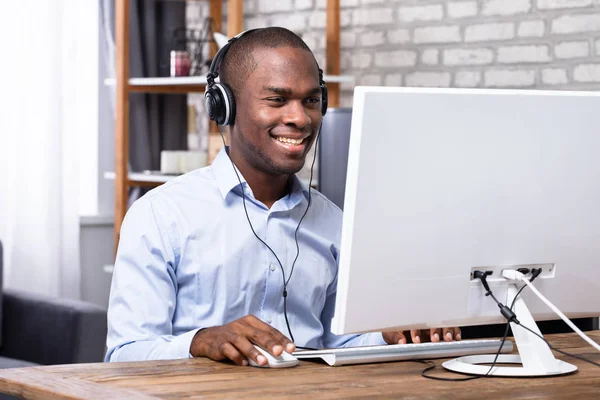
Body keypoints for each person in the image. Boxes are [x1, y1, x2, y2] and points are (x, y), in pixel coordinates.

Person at [105, 27, 461, 367]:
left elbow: (335, 344)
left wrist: (388, 335)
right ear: (224, 107)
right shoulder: (160, 215)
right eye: (277, 99)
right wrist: (200, 341)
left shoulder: (334, 224)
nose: (300, 118)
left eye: (311, 100)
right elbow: (124, 355)